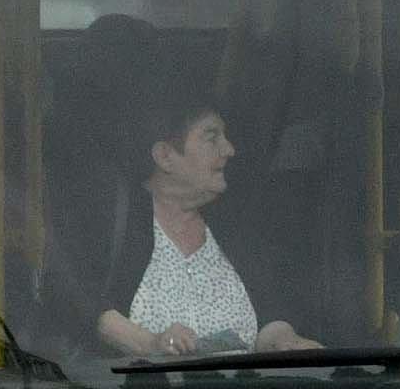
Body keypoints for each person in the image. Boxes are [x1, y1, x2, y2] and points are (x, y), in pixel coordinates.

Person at [90, 100, 315, 361]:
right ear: (165, 156)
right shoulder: (117, 222)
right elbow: (76, 298)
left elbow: (268, 313)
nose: (229, 149)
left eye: (226, 137)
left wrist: (284, 341)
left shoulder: (232, 227)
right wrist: (150, 344)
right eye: (211, 138)